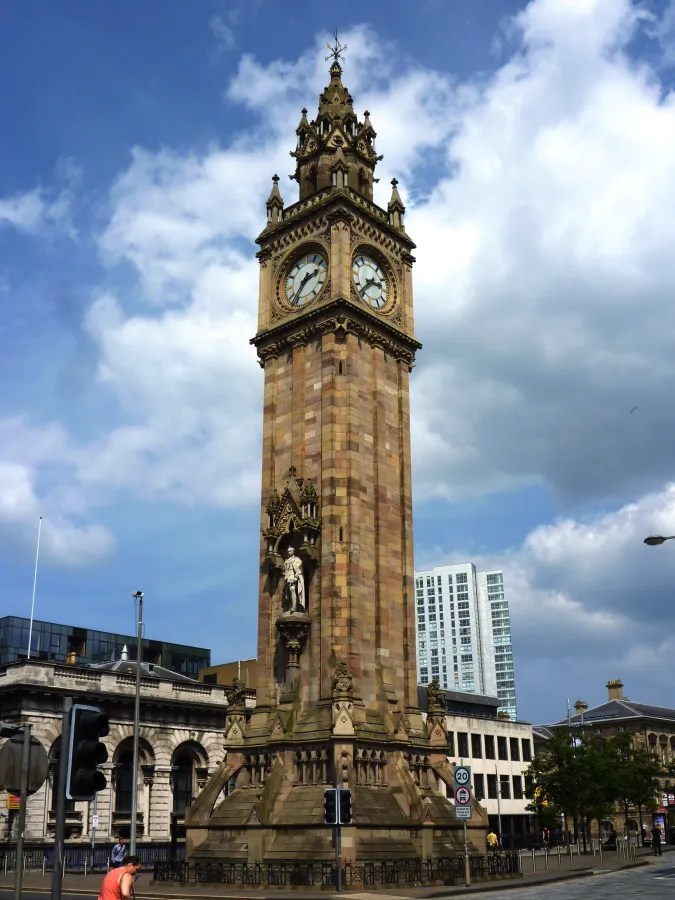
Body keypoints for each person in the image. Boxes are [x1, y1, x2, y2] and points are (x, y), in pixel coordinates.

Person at [283, 547, 305, 611]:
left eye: (290, 551)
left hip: (293, 576)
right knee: (288, 593)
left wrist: (295, 577)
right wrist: (286, 576)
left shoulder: (297, 560)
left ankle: (294, 607)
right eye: (288, 551)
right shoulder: (287, 560)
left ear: (293, 552)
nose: (289, 552)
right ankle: (290, 606)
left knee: (292, 589)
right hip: (288, 577)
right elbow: (285, 570)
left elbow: (299, 570)